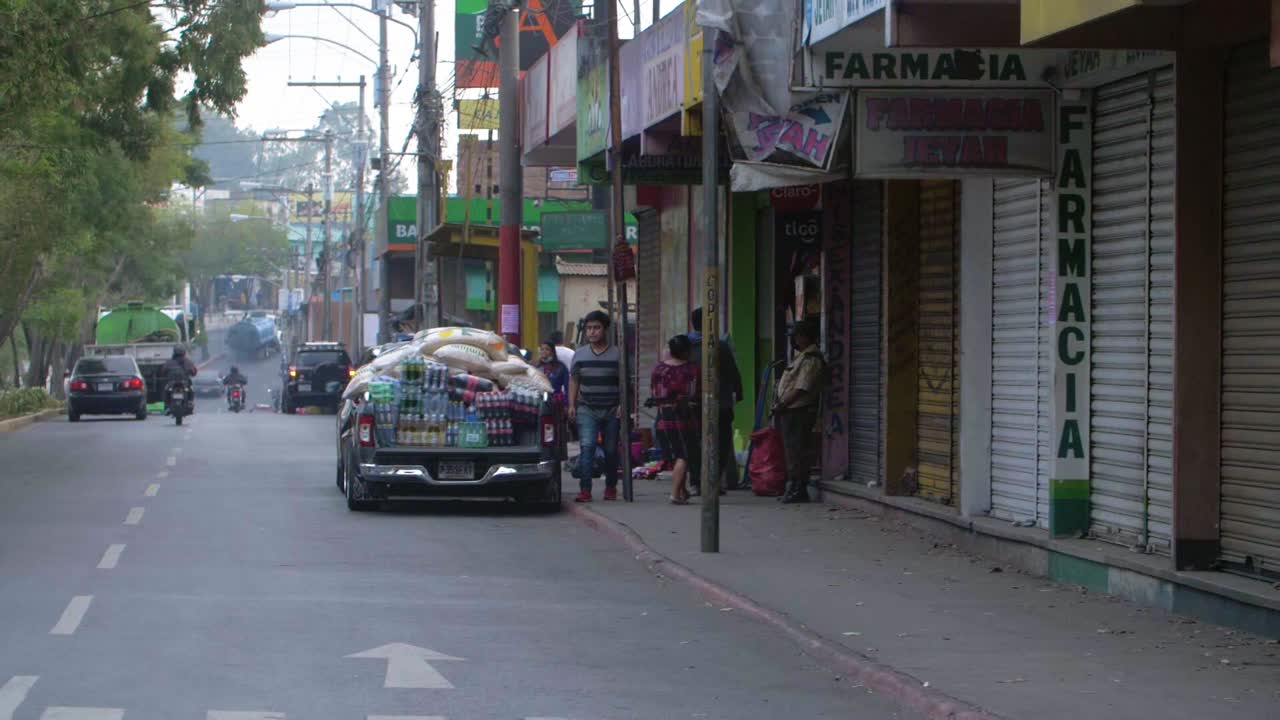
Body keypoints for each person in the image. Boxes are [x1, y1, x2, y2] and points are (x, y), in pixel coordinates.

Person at [688, 307, 745, 491]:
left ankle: (697, 482)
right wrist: (739, 392)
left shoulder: (684, 344)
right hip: (720, 403)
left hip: (691, 403)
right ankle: (713, 481)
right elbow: (732, 373)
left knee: (694, 442)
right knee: (721, 441)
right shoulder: (720, 346)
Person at [568, 310, 621, 503]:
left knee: (610, 450)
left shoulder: (617, 354)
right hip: (586, 408)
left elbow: (625, 383)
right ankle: (585, 490)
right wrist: (571, 405)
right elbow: (574, 380)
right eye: (589, 328)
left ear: (605, 329)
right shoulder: (579, 354)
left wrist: (624, 405)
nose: (592, 332)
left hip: (612, 409)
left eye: (596, 328)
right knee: (587, 446)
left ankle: (611, 487)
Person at [772, 319, 825, 504]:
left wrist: (782, 404)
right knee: (792, 451)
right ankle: (794, 487)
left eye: (795, 336)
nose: (793, 340)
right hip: (792, 411)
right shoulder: (802, 356)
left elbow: (802, 388)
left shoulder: (811, 359)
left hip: (799, 411)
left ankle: (798, 489)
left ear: (803, 337)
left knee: (797, 452)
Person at [652, 335, 700, 504]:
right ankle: (674, 493)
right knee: (684, 454)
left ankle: (682, 491)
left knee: (676, 454)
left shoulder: (659, 369)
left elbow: (655, 392)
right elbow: (695, 392)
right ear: (687, 351)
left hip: (663, 416)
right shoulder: (691, 369)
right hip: (684, 415)